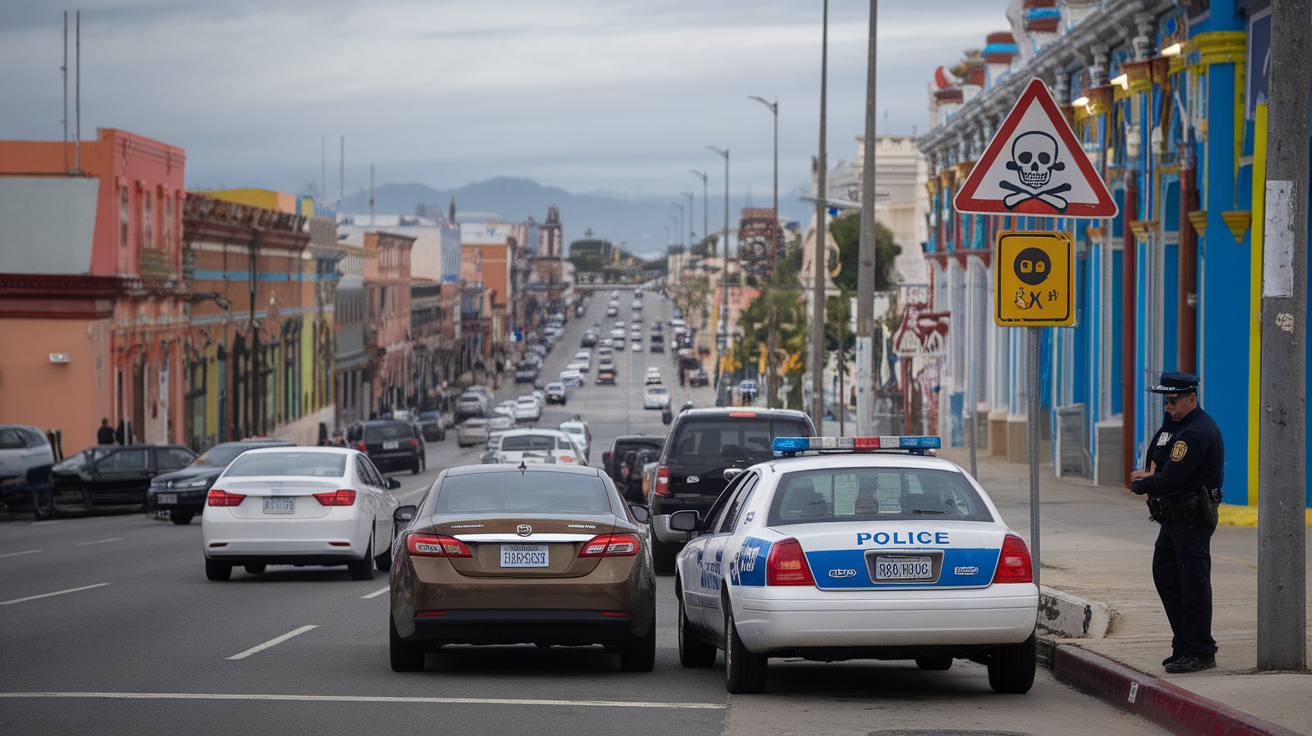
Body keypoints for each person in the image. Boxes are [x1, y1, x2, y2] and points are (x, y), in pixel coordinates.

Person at [1129, 372, 1224, 674]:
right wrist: (1152, 476)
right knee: (1167, 577)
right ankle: (1184, 643)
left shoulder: (1196, 431)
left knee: (1192, 584)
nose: (1166, 406)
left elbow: (1172, 477)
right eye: (1164, 400)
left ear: (1191, 398)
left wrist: (1142, 484)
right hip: (1172, 520)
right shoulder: (1176, 425)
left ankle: (1200, 650)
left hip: (1192, 520)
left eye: (1172, 400)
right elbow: (1158, 458)